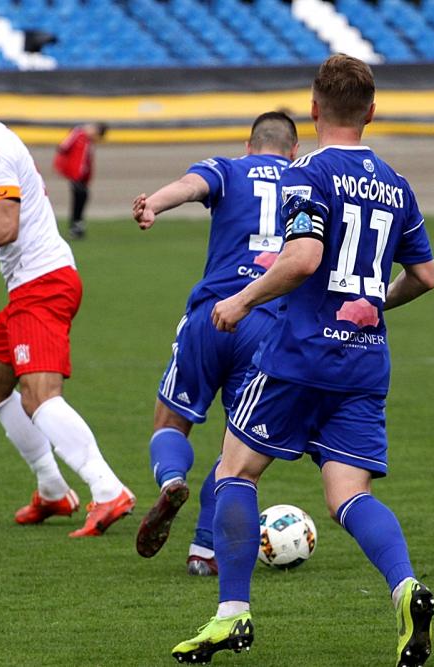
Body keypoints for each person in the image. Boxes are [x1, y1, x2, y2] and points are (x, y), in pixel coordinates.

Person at [171, 54, 434, 666]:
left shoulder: (306, 172)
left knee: (235, 473)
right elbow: (425, 275)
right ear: (372, 112)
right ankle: (405, 587)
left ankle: (231, 615)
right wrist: (374, 302)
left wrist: (240, 300)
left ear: (314, 109)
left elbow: (304, 258)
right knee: (348, 495)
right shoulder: (397, 184)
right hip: (364, 362)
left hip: (298, 355)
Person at [0, 62, 134, 537]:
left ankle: (107, 490)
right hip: (29, 285)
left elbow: (5, 226)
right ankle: (52, 489)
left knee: (40, 397)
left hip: (44, 283)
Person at [130, 111, 299, 576]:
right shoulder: (306, 179)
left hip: (212, 313)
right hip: (266, 321)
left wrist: (152, 205)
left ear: (248, 146)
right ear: (293, 151)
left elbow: (190, 186)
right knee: (237, 451)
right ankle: (204, 550)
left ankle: (171, 480)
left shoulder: (228, 168)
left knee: (171, 420)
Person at [53, 122, 108, 240]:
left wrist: (87, 176)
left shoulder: (89, 141)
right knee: (80, 196)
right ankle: (76, 225)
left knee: (82, 197)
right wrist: (63, 167)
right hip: (74, 174)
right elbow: (63, 147)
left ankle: (77, 224)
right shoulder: (77, 134)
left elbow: (87, 161)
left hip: (81, 175)